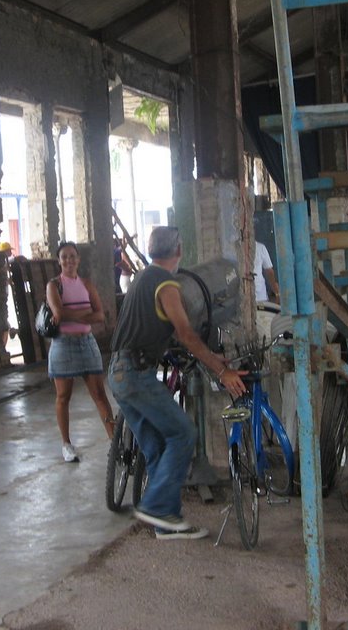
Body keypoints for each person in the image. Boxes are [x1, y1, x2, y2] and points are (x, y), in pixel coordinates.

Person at [108, 226, 246, 540]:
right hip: (135, 373)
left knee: (156, 445)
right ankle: (157, 508)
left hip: (118, 371)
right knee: (183, 433)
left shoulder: (143, 277)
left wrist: (211, 360)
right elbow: (185, 333)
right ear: (179, 251)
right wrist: (220, 370)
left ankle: (165, 521)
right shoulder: (166, 284)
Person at [46, 241, 116, 462]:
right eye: (64, 257)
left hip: (87, 343)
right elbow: (58, 312)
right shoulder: (54, 285)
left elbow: (101, 316)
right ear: (59, 261)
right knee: (63, 396)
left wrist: (70, 313)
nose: (69, 260)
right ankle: (66, 445)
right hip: (63, 344)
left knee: (100, 395)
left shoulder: (86, 284)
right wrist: (85, 313)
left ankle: (115, 443)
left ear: (78, 259)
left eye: (72, 256)